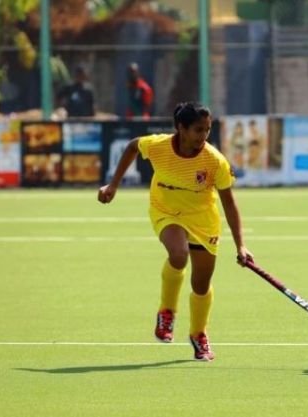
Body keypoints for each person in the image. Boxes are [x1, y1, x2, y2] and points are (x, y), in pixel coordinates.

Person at [97, 102, 252, 362]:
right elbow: (133, 146)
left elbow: (229, 203)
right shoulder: (158, 146)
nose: (204, 136)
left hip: (203, 219)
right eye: (198, 130)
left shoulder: (215, 161)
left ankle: (198, 334)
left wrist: (241, 246)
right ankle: (167, 311)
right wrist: (113, 185)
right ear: (181, 128)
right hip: (165, 209)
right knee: (179, 255)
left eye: (207, 130)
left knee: (200, 284)